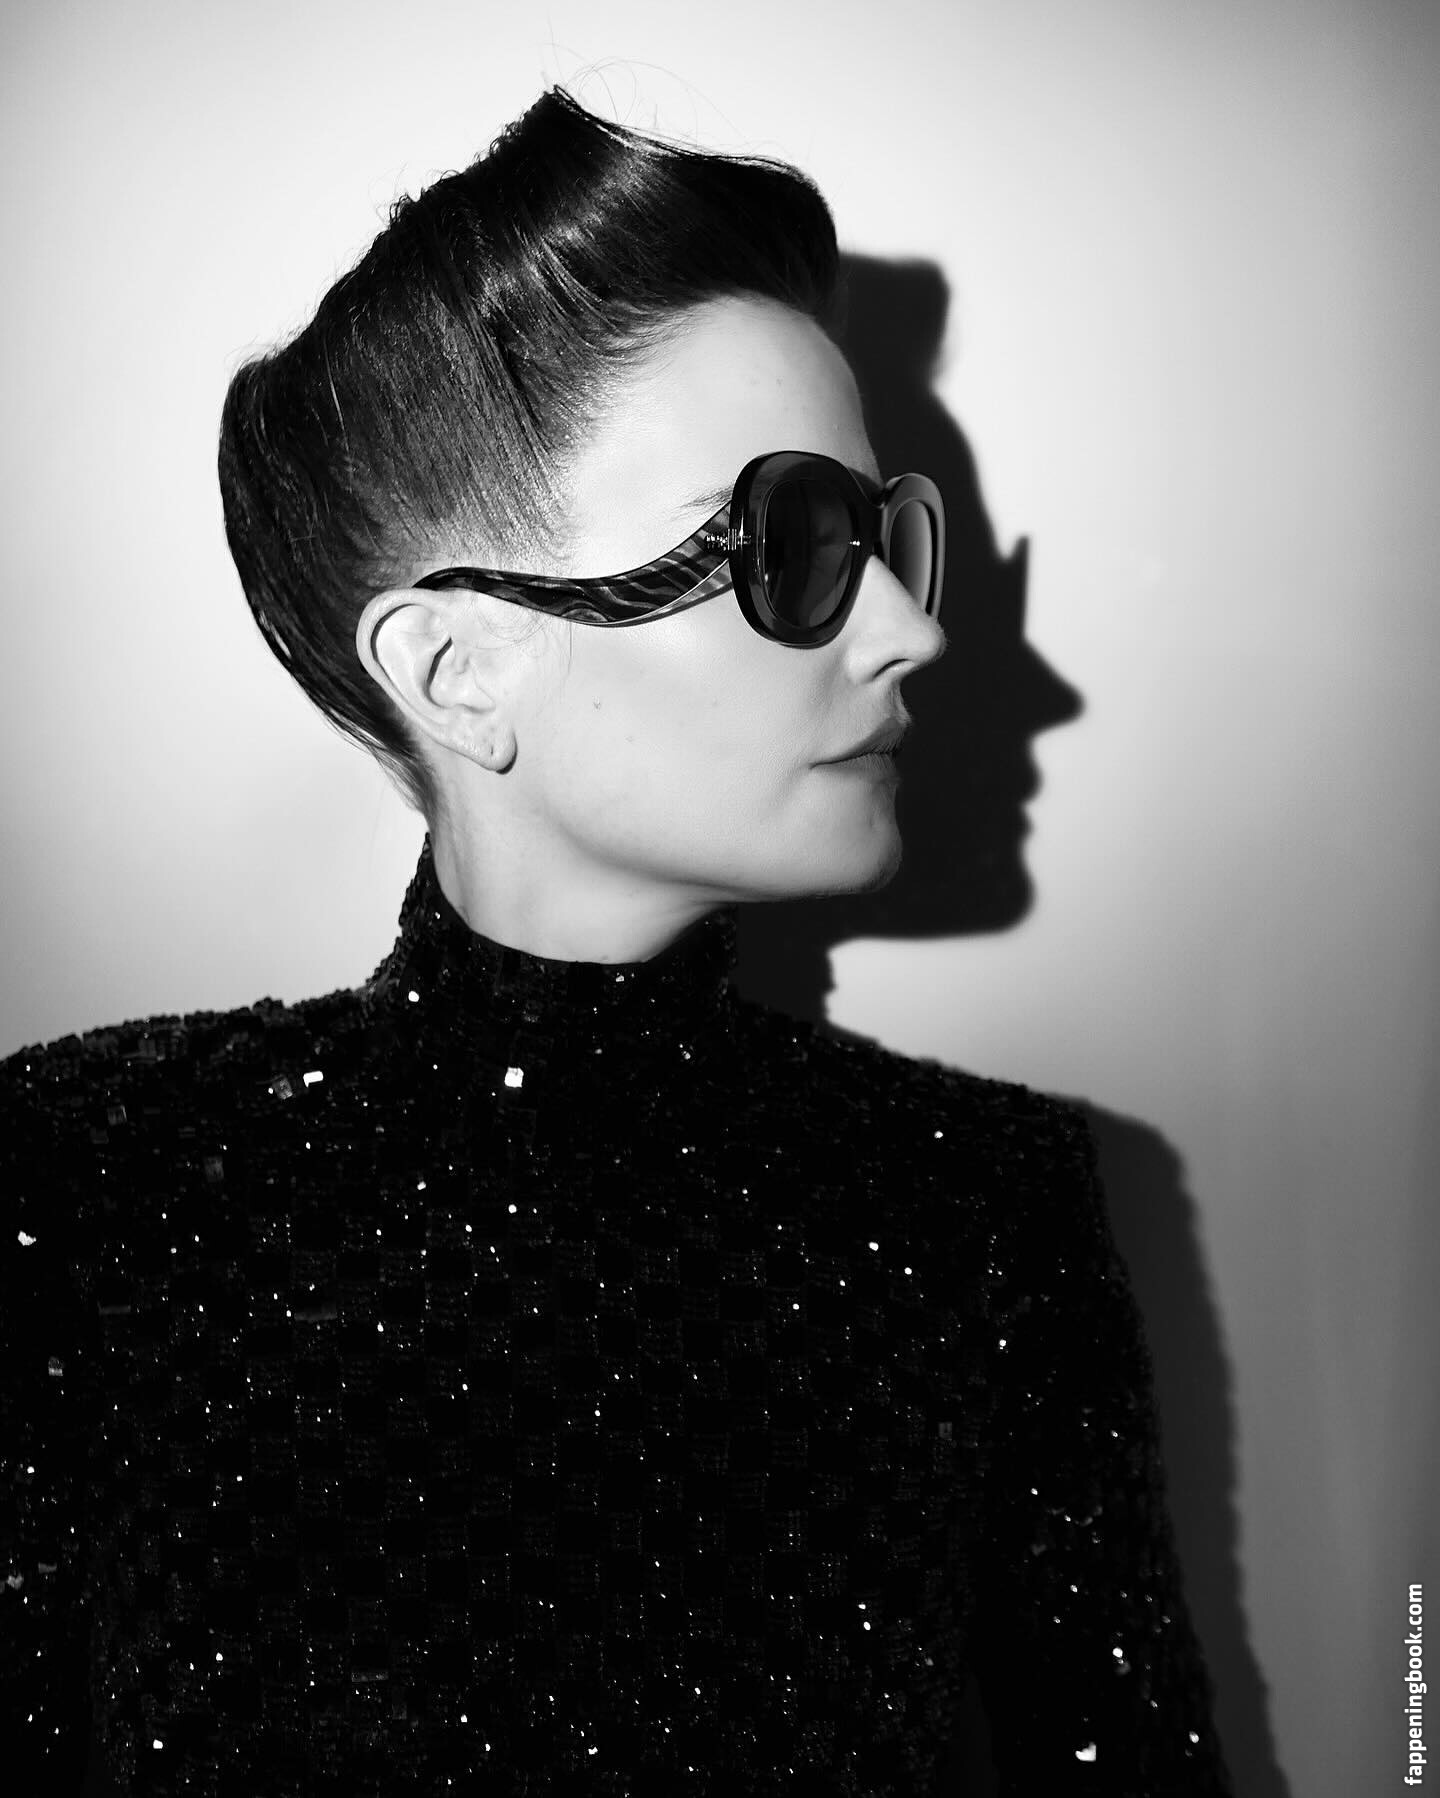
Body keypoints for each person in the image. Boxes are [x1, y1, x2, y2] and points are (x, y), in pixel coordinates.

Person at [0, 86, 1233, 1796]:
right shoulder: (90, 1181)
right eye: (795, 543)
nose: (912, 628)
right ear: (458, 670)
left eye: (885, 535)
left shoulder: (988, 1212)